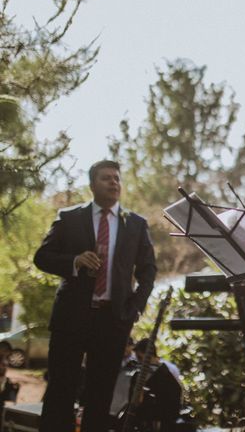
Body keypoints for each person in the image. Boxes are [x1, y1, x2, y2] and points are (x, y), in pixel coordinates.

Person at [34, 159, 157, 432]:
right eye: (106, 178)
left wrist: (134, 308)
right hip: (71, 317)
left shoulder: (136, 224)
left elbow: (148, 271)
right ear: (92, 185)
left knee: (100, 395)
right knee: (60, 389)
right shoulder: (70, 218)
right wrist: (74, 261)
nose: (113, 182)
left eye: (116, 178)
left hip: (113, 320)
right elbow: (41, 257)